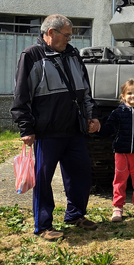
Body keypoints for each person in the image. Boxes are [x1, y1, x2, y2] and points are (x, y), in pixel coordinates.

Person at [11, 15, 101, 241]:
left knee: (81, 175)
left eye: (71, 35)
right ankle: (43, 226)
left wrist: (92, 117)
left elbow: (85, 91)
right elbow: (21, 97)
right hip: (47, 133)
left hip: (74, 131)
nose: (70, 39)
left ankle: (75, 215)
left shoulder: (73, 55)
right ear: (50, 33)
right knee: (43, 179)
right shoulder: (31, 56)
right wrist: (26, 128)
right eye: (66, 35)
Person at [98, 79, 134, 222]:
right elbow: (109, 128)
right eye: (129, 93)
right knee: (119, 180)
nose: (132, 96)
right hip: (121, 152)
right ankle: (118, 207)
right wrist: (98, 129)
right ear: (123, 96)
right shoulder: (118, 113)